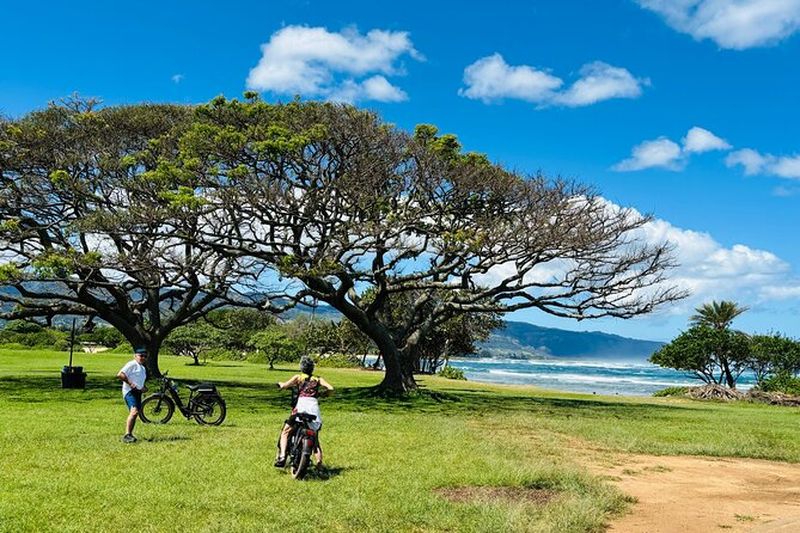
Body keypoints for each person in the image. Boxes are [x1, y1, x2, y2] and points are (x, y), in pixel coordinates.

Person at [275, 356, 333, 469]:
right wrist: (323, 394)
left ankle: (282, 456)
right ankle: (319, 464)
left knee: (286, 431)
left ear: (301, 367)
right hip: (314, 409)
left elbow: (285, 385)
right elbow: (331, 388)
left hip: (301, 408)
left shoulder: (298, 377)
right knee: (315, 438)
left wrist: (280, 384)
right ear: (312, 368)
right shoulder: (318, 379)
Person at [117, 348, 148, 443]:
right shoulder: (132, 364)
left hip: (138, 393)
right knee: (134, 412)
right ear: (135, 356)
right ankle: (127, 435)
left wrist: (143, 388)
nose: (142, 358)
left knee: (135, 414)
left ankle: (130, 434)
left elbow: (139, 380)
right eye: (141, 356)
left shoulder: (142, 368)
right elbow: (120, 374)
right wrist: (130, 383)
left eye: (145, 356)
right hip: (130, 392)